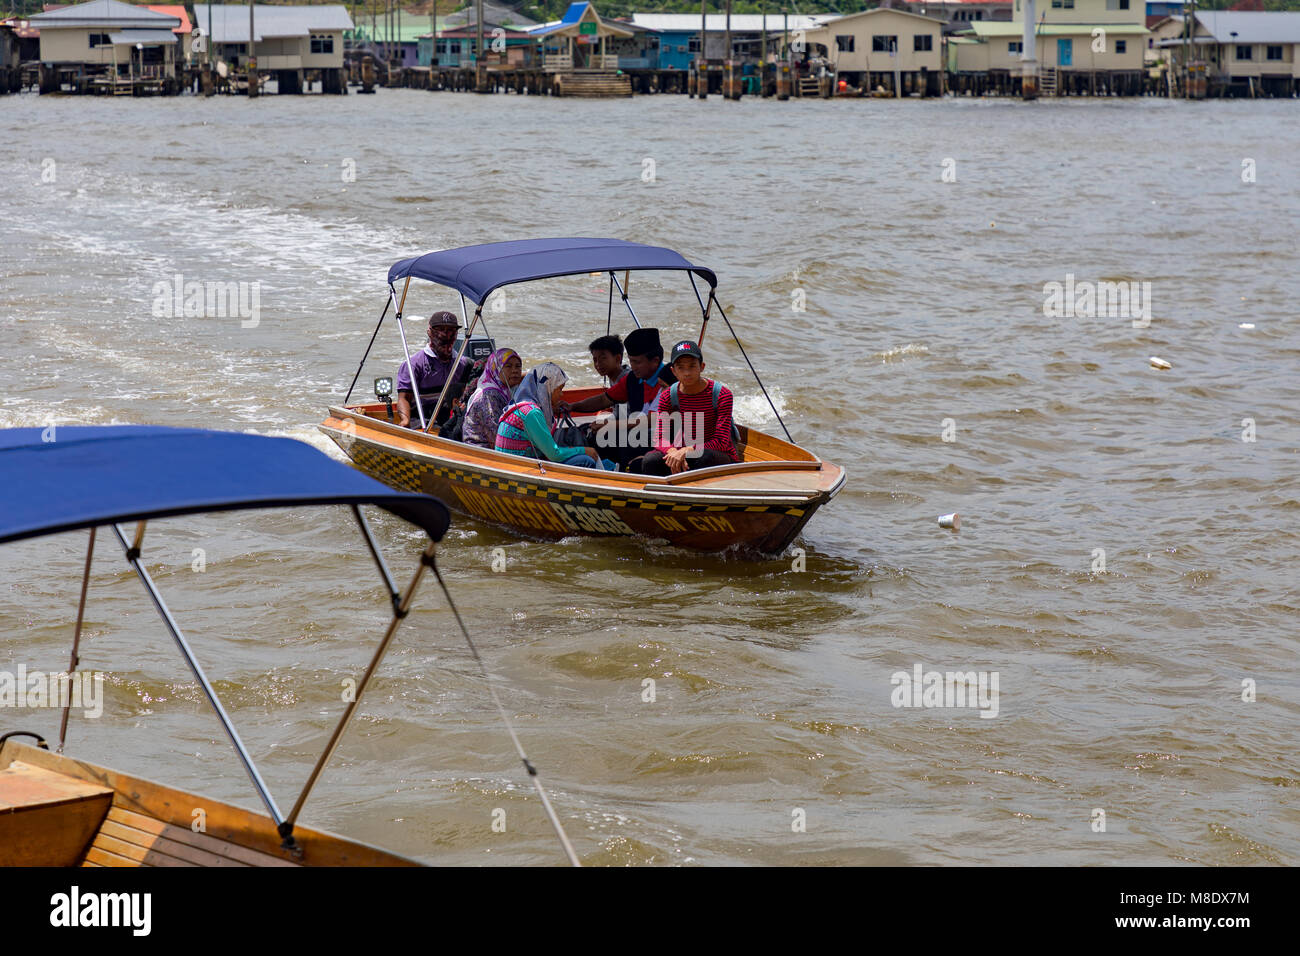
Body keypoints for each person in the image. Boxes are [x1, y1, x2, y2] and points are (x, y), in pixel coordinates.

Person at [559, 327, 676, 468]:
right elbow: (604, 399)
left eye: (637, 362)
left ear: (655, 361)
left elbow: (652, 420)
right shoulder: (633, 378)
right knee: (594, 433)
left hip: (664, 436)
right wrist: (573, 406)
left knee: (626, 438)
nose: (633, 366)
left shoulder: (669, 381)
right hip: (638, 431)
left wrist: (610, 425)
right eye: (631, 361)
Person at [634, 340, 737, 475]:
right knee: (650, 461)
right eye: (681, 367)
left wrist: (688, 450)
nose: (687, 373)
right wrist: (672, 452)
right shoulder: (668, 396)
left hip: (715, 455)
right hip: (681, 453)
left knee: (702, 456)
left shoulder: (722, 395)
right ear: (674, 371)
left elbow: (721, 441)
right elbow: (660, 437)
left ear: (702, 367)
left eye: (692, 366)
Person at [495, 363, 612, 470]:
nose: (562, 394)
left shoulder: (523, 406)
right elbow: (554, 455)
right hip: (519, 468)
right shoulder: (532, 413)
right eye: (559, 389)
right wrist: (585, 450)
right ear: (548, 386)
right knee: (586, 461)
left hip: (514, 462)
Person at [395, 311, 474, 429]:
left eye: (451, 331)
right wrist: (405, 420)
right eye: (441, 330)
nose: (446, 335)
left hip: (450, 418)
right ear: (430, 333)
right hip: (421, 419)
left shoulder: (464, 364)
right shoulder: (414, 365)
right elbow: (404, 398)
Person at [461, 348, 521, 449]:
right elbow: (496, 436)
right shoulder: (489, 395)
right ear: (496, 368)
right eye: (508, 366)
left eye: (518, 366)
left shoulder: (507, 391)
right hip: (481, 451)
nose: (515, 370)